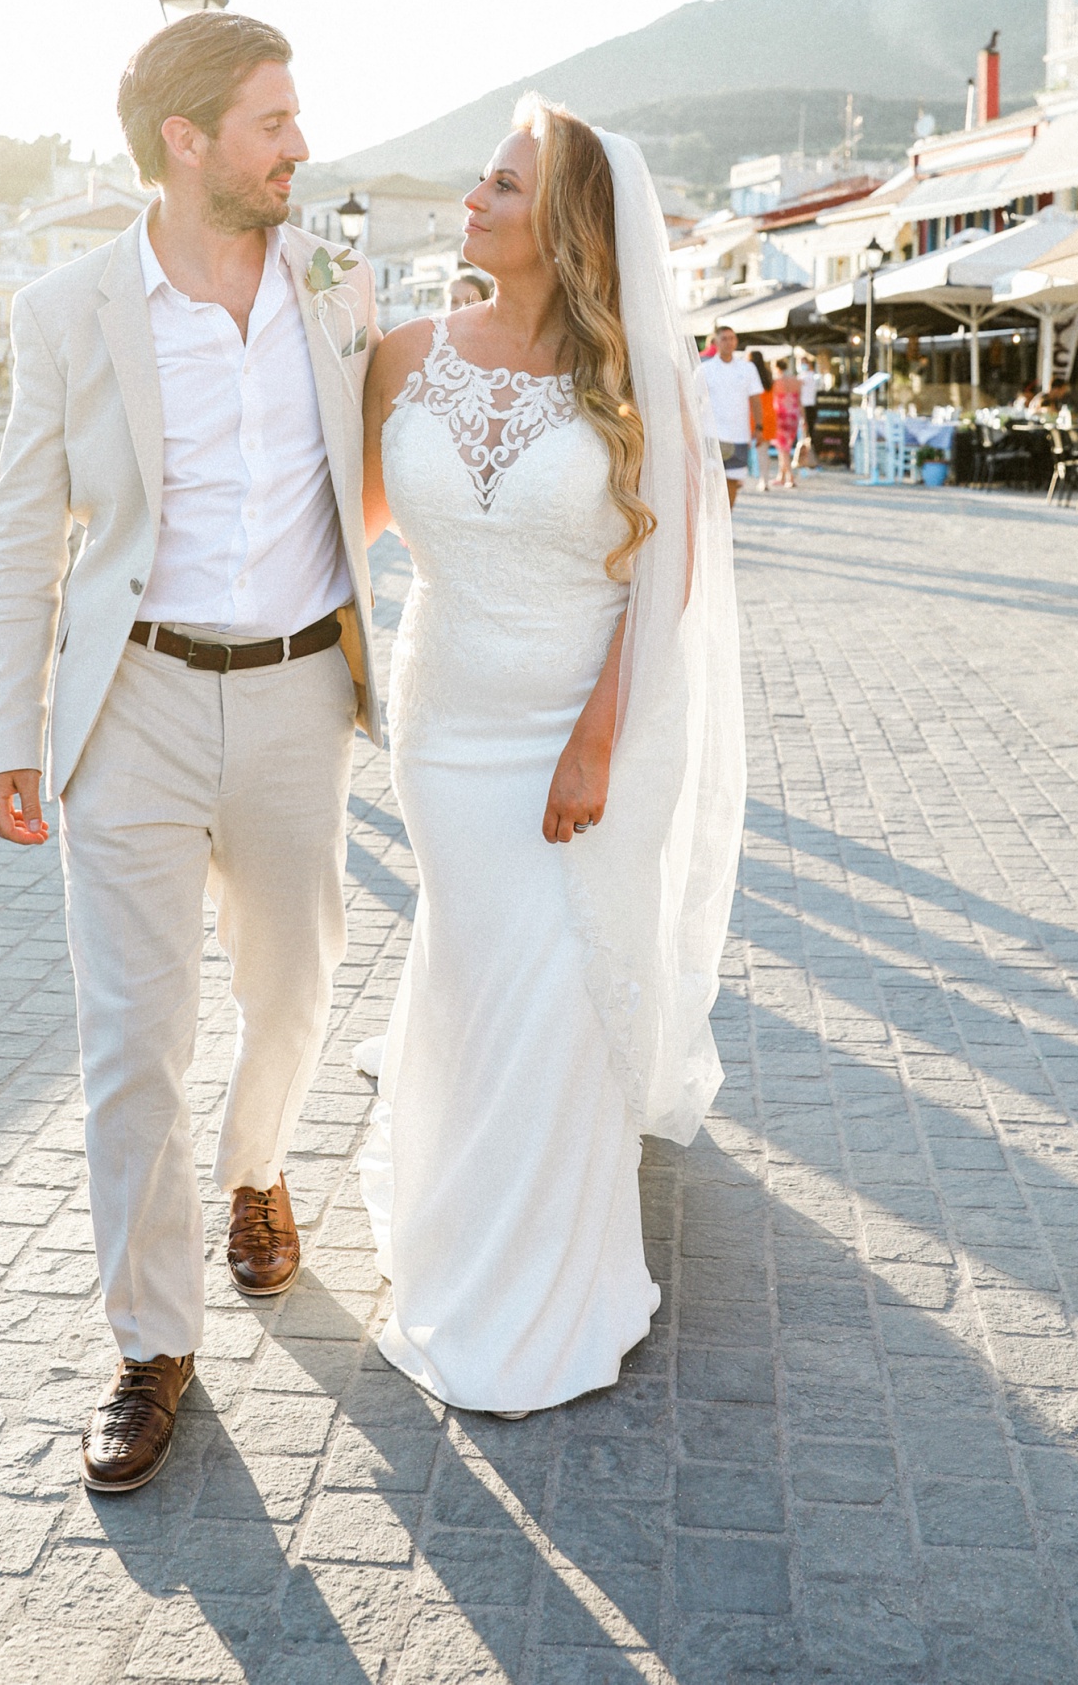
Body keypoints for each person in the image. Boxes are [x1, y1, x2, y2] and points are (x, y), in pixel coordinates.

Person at [0, 11, 380, 1495]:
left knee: (290, 991)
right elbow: (27, 524)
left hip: (293, 700)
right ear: (188, 140)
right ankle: (152, 1340)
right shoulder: (70, 306)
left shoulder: (337, 282)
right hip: (128, 703)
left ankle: (260, 1165)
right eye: (274, 119)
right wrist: (1, 728)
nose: (299, 142)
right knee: (131, 1041)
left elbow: (394, 461)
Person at [356, 96, 743, 1415]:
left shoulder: (635, 373)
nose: (474, 198)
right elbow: (333, 530)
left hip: (586, 727)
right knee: (475, 969)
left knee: (561, 986)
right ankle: (454, 1238)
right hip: (445, 725)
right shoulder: (402, 353)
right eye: (481, 177)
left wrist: (598, 734)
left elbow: (667, 573)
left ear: (568, 222)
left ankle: (555, 1271)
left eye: (505, 186)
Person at [699, 324, 764, 509]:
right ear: (716, 342)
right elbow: (693, 402)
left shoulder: (748, 368)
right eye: (724, 339)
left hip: (738, 435)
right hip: (712, 435)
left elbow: (755, 399)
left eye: (732, 338)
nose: (728, 342)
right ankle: (711, 526)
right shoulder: (705, 369)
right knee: (712, 481)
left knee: (733, 481)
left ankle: (726, 528)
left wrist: (759, 428)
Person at [770, 359, 802, 489]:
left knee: (782, 448)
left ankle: (790, 476)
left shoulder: (776, 382)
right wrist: (803, 418)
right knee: (785, 446)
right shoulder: (796, 381)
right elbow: (799, 401)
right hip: (794, 414)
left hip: (780, 414)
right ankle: (781, 476)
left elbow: (773, 400)